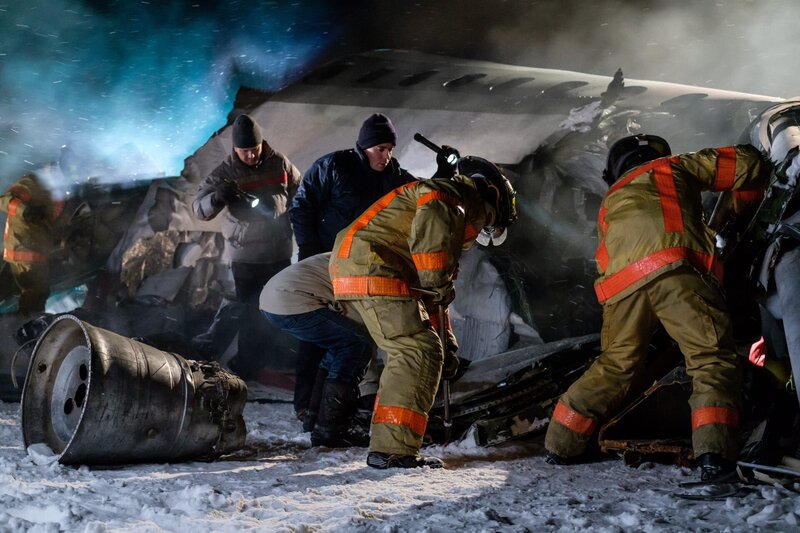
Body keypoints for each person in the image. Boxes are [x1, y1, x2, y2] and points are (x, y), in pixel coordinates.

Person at [543, 134, 772, 481]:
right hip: (675, 270)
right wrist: (744, 209)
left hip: (621, 288)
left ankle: (561, 444)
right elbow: (749, 164)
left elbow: (605, 259)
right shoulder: (672, 166)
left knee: (616, 364)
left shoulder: (611, 200)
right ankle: (714, 456)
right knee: (709, 358)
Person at [329, 156, 517, 469]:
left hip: (364, 265)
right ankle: (392, 450)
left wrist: (447, 345)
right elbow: (432, 281)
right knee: (416, 351)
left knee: (422, 347)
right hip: (374, 264)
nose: (481, 231)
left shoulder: (447, 215)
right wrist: (438, 284)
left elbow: (429, 299)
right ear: (491, 198)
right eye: (488, 221)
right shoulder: (448, 199)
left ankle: (391, 445)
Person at [288, 113, 417, 424]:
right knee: (318, 331)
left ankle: (340, 404)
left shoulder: (394, 175)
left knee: (353, 333)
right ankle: (305, 403)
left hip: (362, 269)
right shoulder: (334, 167)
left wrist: (443, 174)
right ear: (365, 146)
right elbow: (302, 205)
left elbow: (420, 193)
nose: (386, 156)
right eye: (380, 149)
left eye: (390, 149)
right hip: (324, 261)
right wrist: (307, 248)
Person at [192, 114, 302, 374]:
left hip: (278, 254)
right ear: (235, 149)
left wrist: (295, 218)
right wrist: (218, 198)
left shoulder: (281, 164)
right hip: (245, 259)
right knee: (242, 313)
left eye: (254, 150)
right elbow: (198, 208)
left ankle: (268, 363)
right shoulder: (225, 173)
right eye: (245, 152)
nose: (251, 156)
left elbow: (301, 191)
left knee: (274, 313)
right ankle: (225, 362)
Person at [261, 252, 373, 447]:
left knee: (339, 346)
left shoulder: (348, 252)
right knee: (357, 343)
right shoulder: (367, 264)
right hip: (291, 300)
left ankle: (314, 417)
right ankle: (331, 429)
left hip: (275, 300)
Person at [0, 171, 63, 314]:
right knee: (34, 297)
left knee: (31, 296)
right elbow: (4, 200)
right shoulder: (34, 182)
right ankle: (25, 329)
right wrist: (25, 211)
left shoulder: (59, 192)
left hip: (35, 255)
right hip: (23, 253)